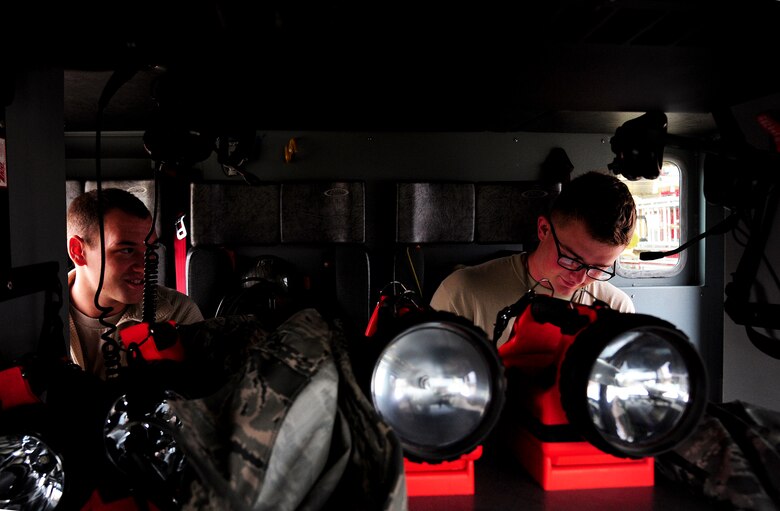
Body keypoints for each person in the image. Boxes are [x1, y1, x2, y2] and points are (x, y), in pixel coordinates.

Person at [430, 171, 637, 347]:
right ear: (543, 229)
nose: (580, 278)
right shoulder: (461, 294)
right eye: (571, 259)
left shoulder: (616, 309)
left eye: (598, 269)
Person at [66, 187, 204, 379]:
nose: (144, 266)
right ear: (78, 251)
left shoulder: (178, 313)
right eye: (126, 250)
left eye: (151, 249)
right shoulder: (37, 318)